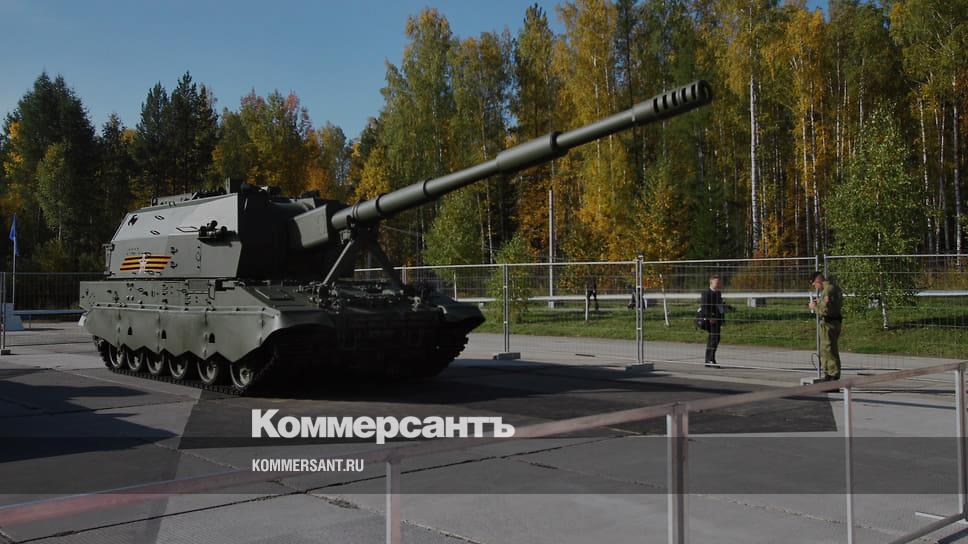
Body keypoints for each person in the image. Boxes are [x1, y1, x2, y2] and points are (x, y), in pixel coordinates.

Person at [808, 272, 844, 381]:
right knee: (825, 350)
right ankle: (828, 374)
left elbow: (825, 310)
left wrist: (814, 307)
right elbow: (831, 305)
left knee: (829, 350)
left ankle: (833, 376)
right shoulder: (832, 288)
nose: (816, 287)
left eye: (815, 284)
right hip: (832, 322)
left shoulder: (828, 290)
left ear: (818, 281)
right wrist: (819, 301)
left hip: (829, 324)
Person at [700, 275, 729, 367]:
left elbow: (719, 306)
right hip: (710, 320)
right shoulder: (706, 293)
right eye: (717, 282)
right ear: (711, 282)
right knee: (714, 339)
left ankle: (708, 360)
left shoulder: (718, 293)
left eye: (719, 282)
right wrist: (710, 317)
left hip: (717, 319)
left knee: (714, 339)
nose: (719, 284)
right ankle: (710, 360)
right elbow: (704, 307)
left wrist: (723, 319)